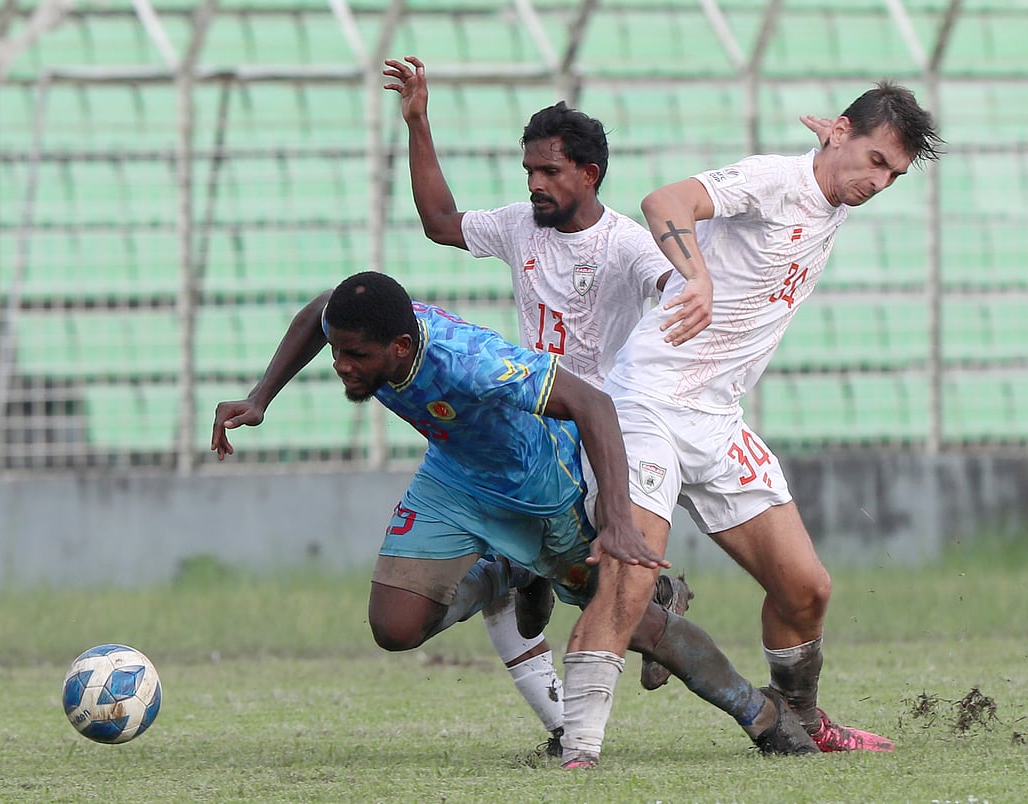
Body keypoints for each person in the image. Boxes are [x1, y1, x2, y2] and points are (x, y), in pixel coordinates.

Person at [211, 271, 821, 769]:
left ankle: (762, 716)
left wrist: (616, 521)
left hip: (538, 490)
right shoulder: (365, 328)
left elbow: (593, 404)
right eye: (338, 350)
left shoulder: (473, 362)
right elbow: (317, 311)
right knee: (394, 627)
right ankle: (511, 573)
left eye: (355, 355)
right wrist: (261, 396)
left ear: (400, 348)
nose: (341, 364)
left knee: (627, 617)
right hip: (454, 477)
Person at [555, 81, 944, 767]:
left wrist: (840, 146)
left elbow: (834, 175)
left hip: (714, 415)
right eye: (877, 161)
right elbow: (664, 202)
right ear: (846, 133)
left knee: (807, 588)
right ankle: (580, 752)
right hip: (647, 399)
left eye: (893, 174)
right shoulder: (773, 179)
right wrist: (695, 275)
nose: (880, 182)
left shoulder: (835, 188)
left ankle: (799, 719)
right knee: (631, 578)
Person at [381, 54, 712, 741]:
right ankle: (569, 711)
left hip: (598, 434)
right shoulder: (518, 226)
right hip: (534, 425)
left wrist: (691, 291)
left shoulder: (625, 245)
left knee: (594, 587)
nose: (534, 184)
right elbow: (441, 220)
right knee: (514, 594)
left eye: (549, 171)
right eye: (529, 170)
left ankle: (649, 607)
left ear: (588, 175)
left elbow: (670, 283)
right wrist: (418, 121)